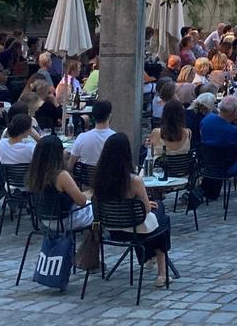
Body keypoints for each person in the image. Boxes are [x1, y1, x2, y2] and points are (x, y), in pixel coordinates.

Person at [92, 132, 171, 286]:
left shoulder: (98, 177)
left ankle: (149, 257)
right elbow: (146, 210)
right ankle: (162, 273)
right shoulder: (134, 181)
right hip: (134, 228)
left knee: (151, 217)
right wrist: (148, 203)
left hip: (112, 228)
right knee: (162, 218)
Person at [25, 133, 92, 228]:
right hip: (64, 220)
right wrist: (87, 196)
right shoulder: (61, 175)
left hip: (45, 219)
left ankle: (92, 236)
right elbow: (81, 202)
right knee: (97, 211)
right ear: (58, 153)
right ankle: (95, 236)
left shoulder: (33, 173)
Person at [67, 99, 116, 168]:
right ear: (109, 116)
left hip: (85, 178)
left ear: (93, 116)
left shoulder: (82, 138)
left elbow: (70, 165)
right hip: (108, 177)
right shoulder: (116, 139)